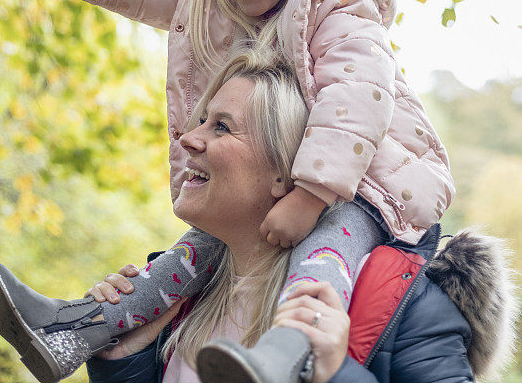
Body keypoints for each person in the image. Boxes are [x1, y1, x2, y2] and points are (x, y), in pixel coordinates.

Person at [0, 0, 455, 383]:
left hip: (368, 185)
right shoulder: (228, 4)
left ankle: (287, 352)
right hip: (287, 181)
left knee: (325, 257)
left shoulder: (339, 3)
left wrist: (311, 194)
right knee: (187, 255)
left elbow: (360, 100)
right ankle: (79, 328)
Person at [75, 53, 513, 383]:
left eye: (221, 127)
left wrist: (336, 372)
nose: (188, 139)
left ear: (287, 173)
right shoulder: (183, 296)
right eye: (200, 120)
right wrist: (125, 357)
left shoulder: (406, 303)